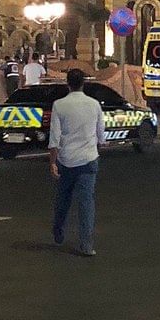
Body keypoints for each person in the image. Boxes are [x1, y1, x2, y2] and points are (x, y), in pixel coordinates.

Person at [48, 68, 104, 257]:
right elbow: (101, 136)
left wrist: (52, 162)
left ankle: (58, 231)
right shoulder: (94, 105)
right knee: (86, 203)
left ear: (68, 84)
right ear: (83, 84)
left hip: (67, 160)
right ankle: (86, 245)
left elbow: (54, 137)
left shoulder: (59, 105)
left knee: (63, 199)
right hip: (88, 160)